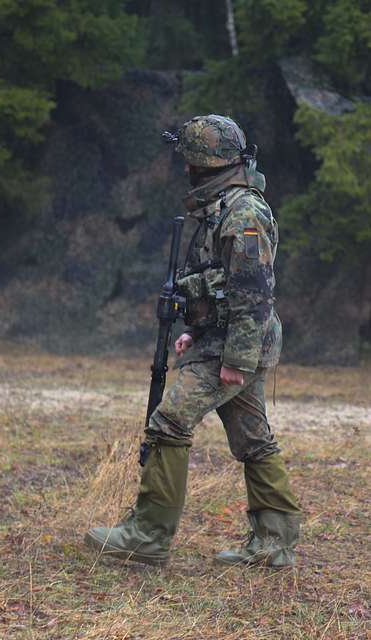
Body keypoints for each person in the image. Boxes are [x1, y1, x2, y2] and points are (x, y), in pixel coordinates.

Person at [85, 114, 302, 567]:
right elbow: (220, 282)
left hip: (236, 346)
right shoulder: (221, 208)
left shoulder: (242, 214)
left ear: (205, 164)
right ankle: (274, 543)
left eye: (190, 161)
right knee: (252, 439)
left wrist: (237, 361)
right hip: (220, 340)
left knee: (169, 421)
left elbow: (253, 295)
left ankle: (147, 536)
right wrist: (193, 329)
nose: (185, 169)